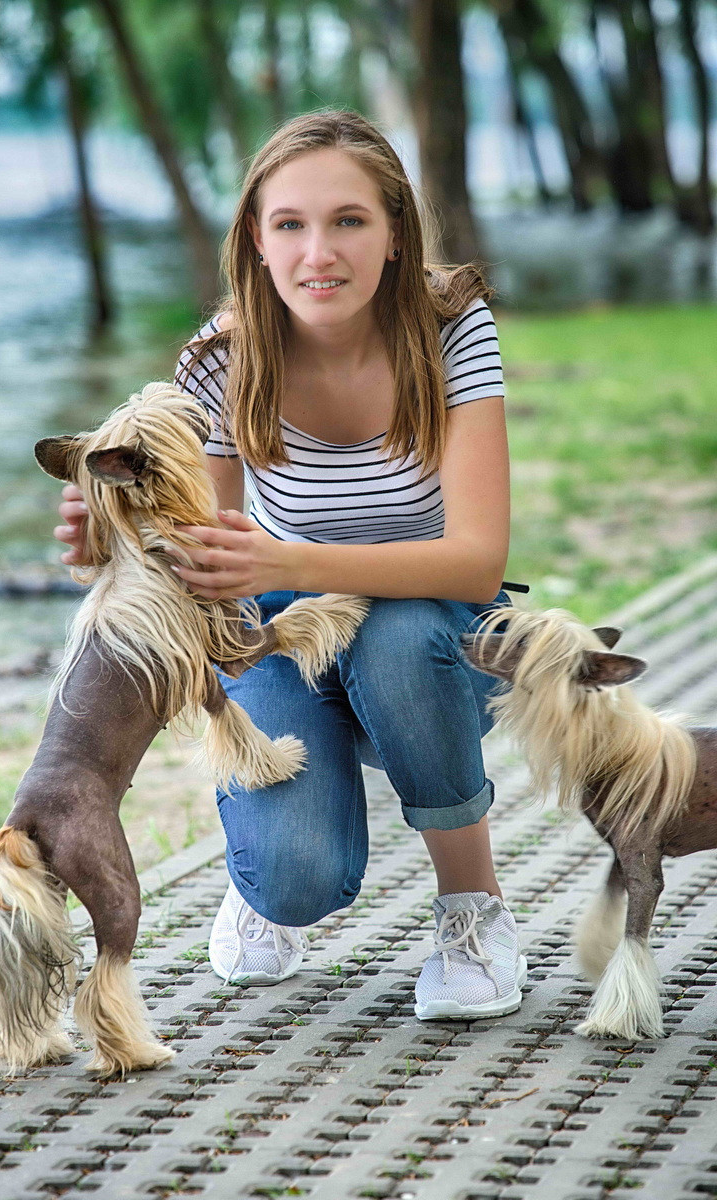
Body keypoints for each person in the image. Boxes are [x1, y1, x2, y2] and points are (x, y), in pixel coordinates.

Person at [55, 108, 528, 1022]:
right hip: (279, 628)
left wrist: (286, 557)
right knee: (296, 877)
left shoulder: (451, 328)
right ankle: (263, 875)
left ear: (395, 234)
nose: (321, 252)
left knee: (398, 637)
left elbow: (476, 563)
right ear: (257, 241)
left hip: (438, 634)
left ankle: (473, 906)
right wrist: (105, 546)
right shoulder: (221, 360)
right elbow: (201, 549)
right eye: (291, 224)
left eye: (350, 220)